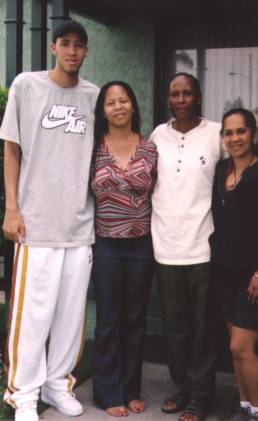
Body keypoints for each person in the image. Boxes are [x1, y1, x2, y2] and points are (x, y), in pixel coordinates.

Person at [0, 20, 99, 421]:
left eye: (80, 45)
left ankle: (59, 384)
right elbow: (11, 150)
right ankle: (23, 393)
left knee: (71, 314)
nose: (73, 51)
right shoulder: (27, 85)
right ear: (54, 48)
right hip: (36, 223)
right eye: (66, 44)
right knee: (33, 314)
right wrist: (11, 207)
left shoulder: (93, 96)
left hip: (79, 224)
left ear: (86, 52)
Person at [150, 72, 223, 421]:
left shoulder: (216, 134)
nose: (181, 99)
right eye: (174, 93)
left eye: (187, 93)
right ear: (168, 99)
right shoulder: (157, 136)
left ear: (198, 97)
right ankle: (182, 387)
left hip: (203, 247)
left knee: (203, 326)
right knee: (176, 326)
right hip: (165, 248)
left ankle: (201, 394)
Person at [90, 81, 157, 417]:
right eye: (111, 102)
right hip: (106, 245)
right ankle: (108, 392)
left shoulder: (149, 149)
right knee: (108, 320)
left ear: (133, 105)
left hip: (141, 245)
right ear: (103, 110)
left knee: (134, 319)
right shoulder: (92, 148)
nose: (118, 106)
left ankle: (131, 389)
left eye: (124, 100)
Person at [210, 108, 258, 421]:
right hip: (223, 273)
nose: (235, 138)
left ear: (252, 134)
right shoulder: (219, 171)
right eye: (228, 133)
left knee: (243, 347)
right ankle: (244, 408)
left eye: (241, 131)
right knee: (233, 348)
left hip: (252, 277)